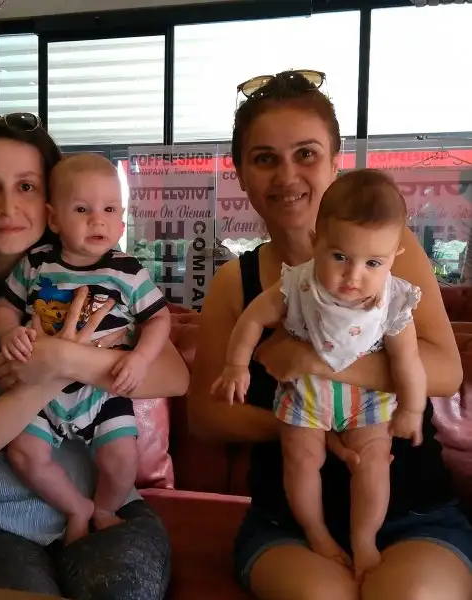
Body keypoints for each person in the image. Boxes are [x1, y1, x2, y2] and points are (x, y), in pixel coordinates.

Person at [188, 71, 472, 600]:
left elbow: (445, 371)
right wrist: (313, 428)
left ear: (336, 161)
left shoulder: (396, 253)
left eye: (306, 154)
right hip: (288, 522)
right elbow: (206, 415)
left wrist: (314, 362)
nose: (287, 176)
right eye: (265, 158)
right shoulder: (236, 282)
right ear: (241, 174)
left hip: (413, 510)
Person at [0, 113, 189, 599]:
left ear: (51, 199)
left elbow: (174, 376)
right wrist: (45, 378)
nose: (9, 206)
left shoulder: (106, 275)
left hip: (108, 506)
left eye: (26, 186)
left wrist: (63, 358)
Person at [212, 168, 426, 580]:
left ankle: (364, 539)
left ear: (394, 256)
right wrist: (236, 364)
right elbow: (253, 319)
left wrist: (412, 409)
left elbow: (407, 361)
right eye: (339, 256)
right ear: (316, 242)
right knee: (301, 458)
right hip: (306, 394)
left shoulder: (393, 300)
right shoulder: (297, 284)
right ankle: (316, 532)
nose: (353, 275)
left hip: (365, 400)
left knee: (374, 461)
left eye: (373, 262)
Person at [0, 153, 171, 544]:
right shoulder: (36, 263)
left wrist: (140, 358)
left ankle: (104, 508)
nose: (97, 220)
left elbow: (159, 318)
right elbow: (6, 306)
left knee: (123, 457)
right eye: (81, 209)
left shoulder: (127, 270)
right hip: (41, 391)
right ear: (54, 218)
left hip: (102, 391)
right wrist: (8, 333)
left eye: (109, 209)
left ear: (122, 219)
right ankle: (77, 507)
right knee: (23, 453)